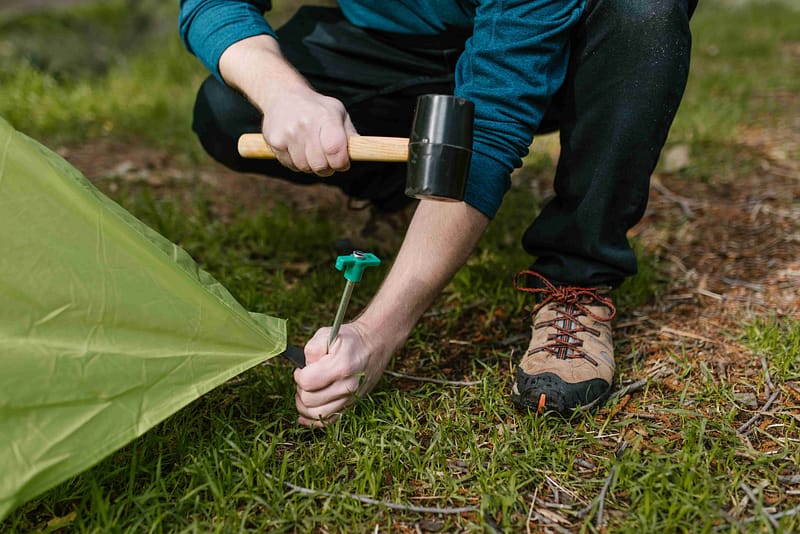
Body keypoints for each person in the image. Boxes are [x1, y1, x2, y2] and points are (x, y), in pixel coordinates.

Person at [179, 0, 697, 427]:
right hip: (395, 42)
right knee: (230, 108)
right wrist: (284, 94)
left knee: (643, 13)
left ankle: (578, 275)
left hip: (563, 39)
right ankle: (405, 192)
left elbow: (488, 131)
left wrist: (375, 335)